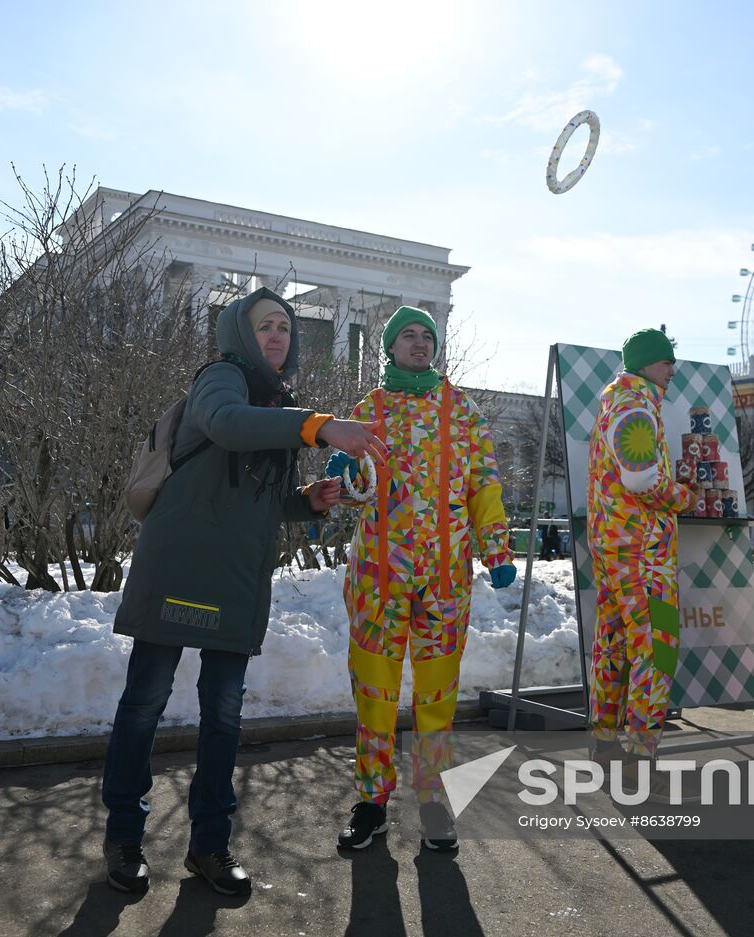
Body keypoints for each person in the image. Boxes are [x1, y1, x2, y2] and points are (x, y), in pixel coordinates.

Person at [103, 288, 387, 897]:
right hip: (178, 569)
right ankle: (124, 836)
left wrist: (303, 503)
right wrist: (319, 427)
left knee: (224, 716)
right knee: (145, 703)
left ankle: (208, 846)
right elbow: (227, 428)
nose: (278, 335)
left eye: (285, 326)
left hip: (234, 579)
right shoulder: (221, 379)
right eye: (265, 325)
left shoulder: (279, 403)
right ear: (239, 333)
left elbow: (248, 495)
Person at [329, 305, 515, 853]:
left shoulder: (462, 411)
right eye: (407, 335)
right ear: (389, 347)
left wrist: (495, 546)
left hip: (444, 580)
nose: (418, 343)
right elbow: (353, 490)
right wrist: (347, 475)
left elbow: (484, 483)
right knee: (375, 695)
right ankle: (372, 802)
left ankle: (434, 801)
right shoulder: (369, 411)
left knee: (438, 695)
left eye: (425, 336)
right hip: (377, 579)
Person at [585, 329, 693, 771]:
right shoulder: (635, 406)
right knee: (657, 648)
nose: (672, 369)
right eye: (667, 361)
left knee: (612, 645)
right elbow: (641, 479)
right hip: (643, 554)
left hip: (614, 549)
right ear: (647, 363)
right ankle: (639, 752)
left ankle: (606, 740)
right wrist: (683, 496)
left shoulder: (615, 401)